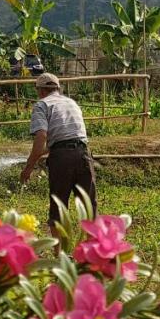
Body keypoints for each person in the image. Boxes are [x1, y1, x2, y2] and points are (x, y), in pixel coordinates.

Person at [19, 73, 96, 229]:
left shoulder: (42, 105)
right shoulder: (72, 103)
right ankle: (92, 250)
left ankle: (59, 252)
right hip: (84, 155)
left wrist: (28, 168)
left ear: (40, 91)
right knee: (89, 208)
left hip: (62, 160)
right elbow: (67, 136)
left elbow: (41, 136)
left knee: (59, 208)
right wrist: (43, 151)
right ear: (57, 88)